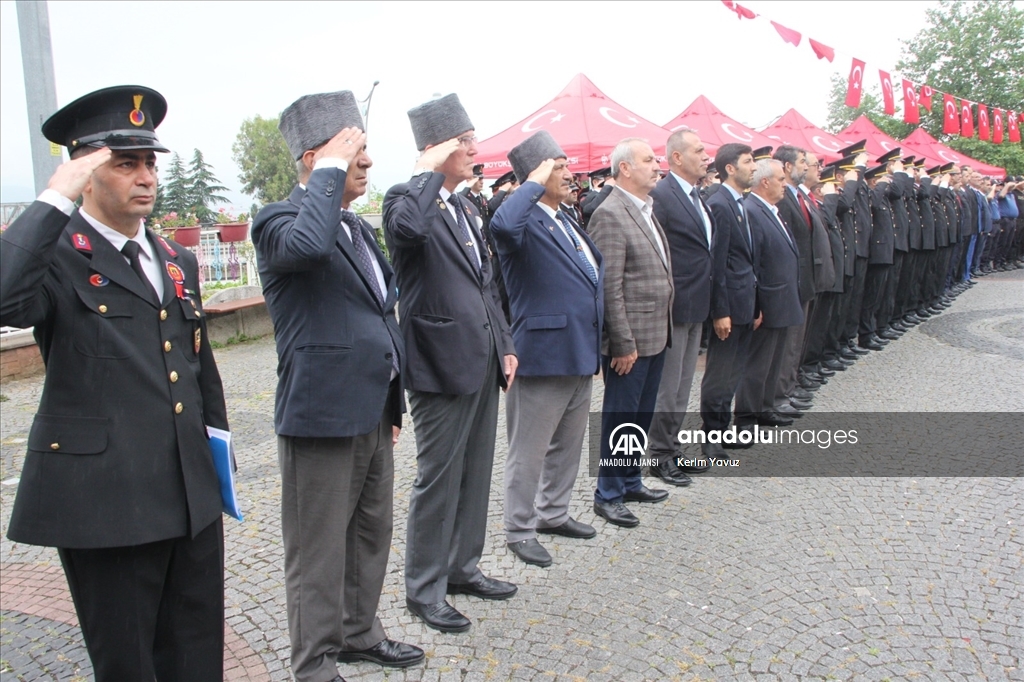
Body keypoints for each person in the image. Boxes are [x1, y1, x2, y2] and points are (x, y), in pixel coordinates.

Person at [1, 85, 228, 681]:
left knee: (197, 654)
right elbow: (5, 299)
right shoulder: (57, 255)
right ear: (87, 170)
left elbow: (199, 366)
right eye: (125, 163)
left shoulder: (176, 259)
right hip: (107, 503)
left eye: (150, 162)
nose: (145, 176)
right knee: (129, 663)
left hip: (188, 493)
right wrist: (56, 196)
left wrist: (218, 464)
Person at [251, 91, 422, 682]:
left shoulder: (354, 227)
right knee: (317, 550)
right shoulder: (277, 221)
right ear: (312, 156)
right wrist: (327, 170)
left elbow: (380, 312)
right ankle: (314, 661)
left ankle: (358, 632)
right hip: (320, 414)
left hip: (373, 408)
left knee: (370, 532)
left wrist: (391, 399)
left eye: (367, 149)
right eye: (354, 151)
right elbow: (306, 247)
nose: (368, 163)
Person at [383, 94, 518, 634]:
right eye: (463, 142)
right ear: (436, 150)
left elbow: (487, 283)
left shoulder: (464, 206)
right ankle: (424, 588)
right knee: (437, 478)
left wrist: (505, 342)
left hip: (482, 357)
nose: (473, 150)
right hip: (438, 364)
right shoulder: (405, 198)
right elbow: (408, 233)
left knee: (475, 470)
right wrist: (424, 171)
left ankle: (463, 567)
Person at [490, 131, 603, 567]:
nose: (569, 174)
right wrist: (533, 182)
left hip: (578, 349)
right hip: (541, 354)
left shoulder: (564, 217)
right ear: (533, 176)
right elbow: (501, 224)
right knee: (529, 449)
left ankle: (553, 513)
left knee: (568, 444)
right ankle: (519, 528)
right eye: (558, 167)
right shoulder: (520, 217)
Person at [588, 138, 673, 529]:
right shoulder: (610, 213)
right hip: (631, 342)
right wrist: (621, 343)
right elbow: (609, 287)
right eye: (649, 159)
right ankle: (608, 493)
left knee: (639, 417)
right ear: (625, 168)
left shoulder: (644, 209)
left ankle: (630, 478)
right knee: (621, 417)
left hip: (655, 333)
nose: (657, 165)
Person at [646, 128, 715, 485]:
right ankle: (657, 454)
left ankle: (670, 446)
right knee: (668, 387)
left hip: (696, 304)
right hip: (672, 306)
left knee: (683, 384)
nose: (706, 156)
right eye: (699, 150)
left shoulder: (697, 196)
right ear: (676, 158)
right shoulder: (662, 195)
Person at [734, 159, 804, 432]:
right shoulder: (752, 210)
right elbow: (753, 261)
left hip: (781, 297)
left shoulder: (772, 210)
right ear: (765, 182)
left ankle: (765, 408)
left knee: (773, 361)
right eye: (780, 179)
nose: (785, 185)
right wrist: (757, 304)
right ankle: (746, 418)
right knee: (757, 364)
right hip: (767, 299)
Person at [700, 143, 759, 457]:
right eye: (748, 162)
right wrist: (720, 310)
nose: (754, 167)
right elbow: (717, 263)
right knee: (720, 373)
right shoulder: (720, 203)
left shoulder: (738, 202)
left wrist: (756, 305)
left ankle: (722, 432)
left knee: (734, 371)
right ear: (730, 168)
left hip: (745, 303)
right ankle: (710, 437)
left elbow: (746, 259)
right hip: (729, 308)